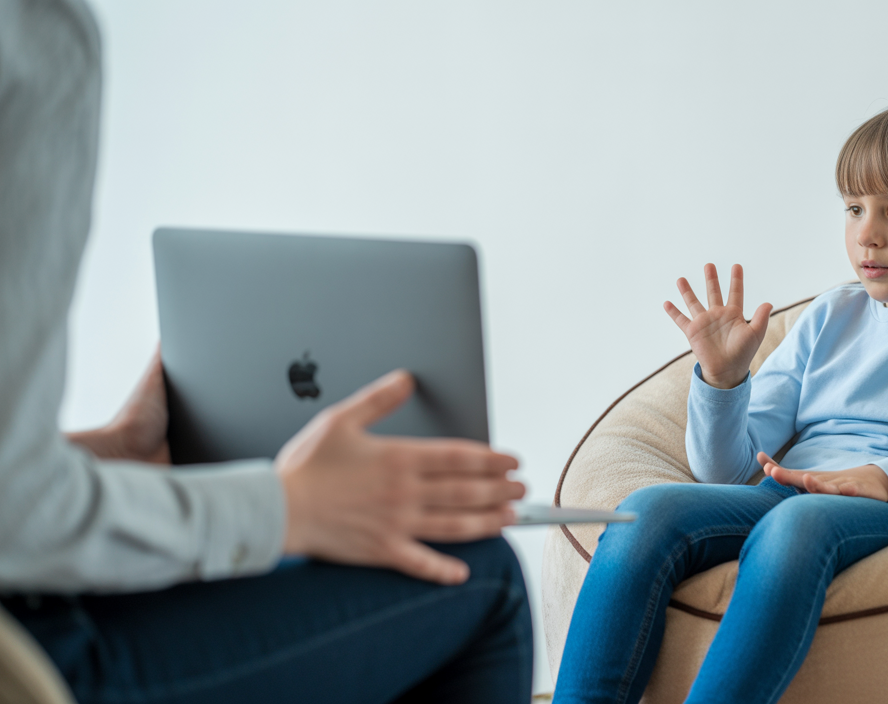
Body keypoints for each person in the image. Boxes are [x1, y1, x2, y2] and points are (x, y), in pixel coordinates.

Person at [0, 2, 531, 702]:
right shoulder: (35, 33)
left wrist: (115, 449)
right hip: (31, 651)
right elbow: (18, 515)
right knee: (481, 573)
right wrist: (287, 507)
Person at [553, 95, 888, 704]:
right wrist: (723, 382)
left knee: (797, 523)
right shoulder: (832, 314)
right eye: (853, 208)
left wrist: (879, 478)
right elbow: (729, 472)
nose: (866, 234)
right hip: (788, 491)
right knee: (645, 510)